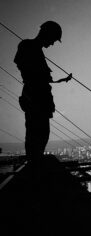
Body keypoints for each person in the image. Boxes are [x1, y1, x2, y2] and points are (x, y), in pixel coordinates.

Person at [14, 21, 72, 162]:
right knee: (36, 133)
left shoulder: (34, 49)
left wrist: (60, 80)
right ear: (47, 34)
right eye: (52, 39)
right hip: (35, 98)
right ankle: (34, 163)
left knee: (41, 133)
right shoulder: (28, 46)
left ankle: (35, 161)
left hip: (39, 98)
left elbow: (36, 76)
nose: (52, 44)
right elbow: (26, 70)